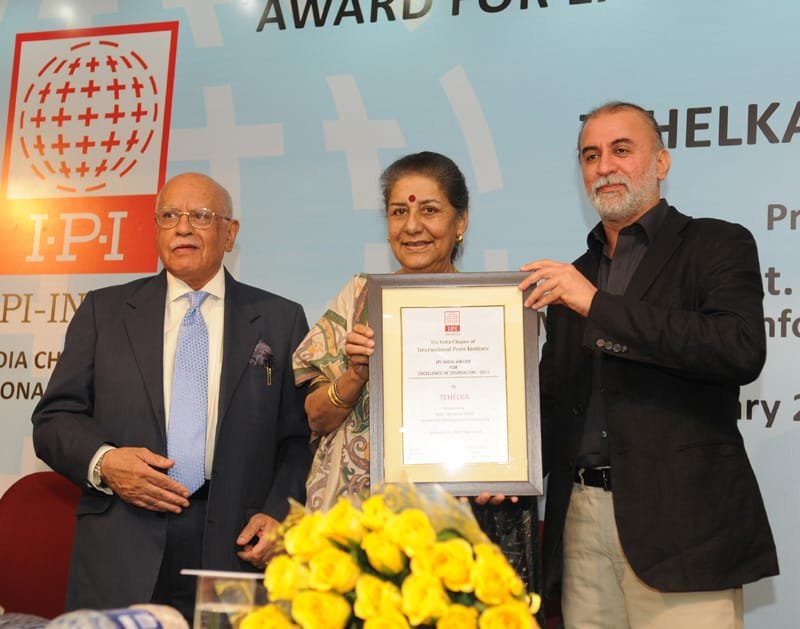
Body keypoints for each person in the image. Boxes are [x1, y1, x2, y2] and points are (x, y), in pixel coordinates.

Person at [519, 102, 779, 628]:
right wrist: (504, 465)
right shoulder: (575, 275)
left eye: (621, 149)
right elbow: (549, 402)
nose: (604, 166)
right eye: (590, 155)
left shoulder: (716, 243)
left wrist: (597, 306)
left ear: (661, 163)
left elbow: (738, 346)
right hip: (581, 524)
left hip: (684, 526)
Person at [32, 173, 311, 620]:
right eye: (169, 216)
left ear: (230, 233)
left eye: (200, 216)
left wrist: (280, 512)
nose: (182, 228)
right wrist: (105, 462)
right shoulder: (104, 311)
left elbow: (299, 439)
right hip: (123, 538)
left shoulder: (280, 319)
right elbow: (54, 420)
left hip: (235, 545)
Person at [293, 151, 540, 595]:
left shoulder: (493, 310)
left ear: (460, 222)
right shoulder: (358, 299)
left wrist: (499, 471)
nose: (412, 226)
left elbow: (511, 433)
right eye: (398, 211)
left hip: (453, 536)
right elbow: (314, 418)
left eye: (429, 210)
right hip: (356, 538)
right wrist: (354, 375)